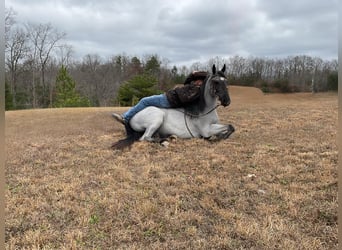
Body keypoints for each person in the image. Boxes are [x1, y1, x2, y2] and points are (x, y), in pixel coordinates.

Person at [112, 71, 207, 125]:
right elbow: (187, 81)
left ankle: (126, 118)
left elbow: (184, 99)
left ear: (202, 82)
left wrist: (177, 91)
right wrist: (192, 74)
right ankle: (128, 116)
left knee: (144, 101)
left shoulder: (196, 91)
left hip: (168, 100)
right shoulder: (192, 86)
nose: (196, 81)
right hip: (167, 96)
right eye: (196, 79)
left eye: (198, 80)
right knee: (145, 102)